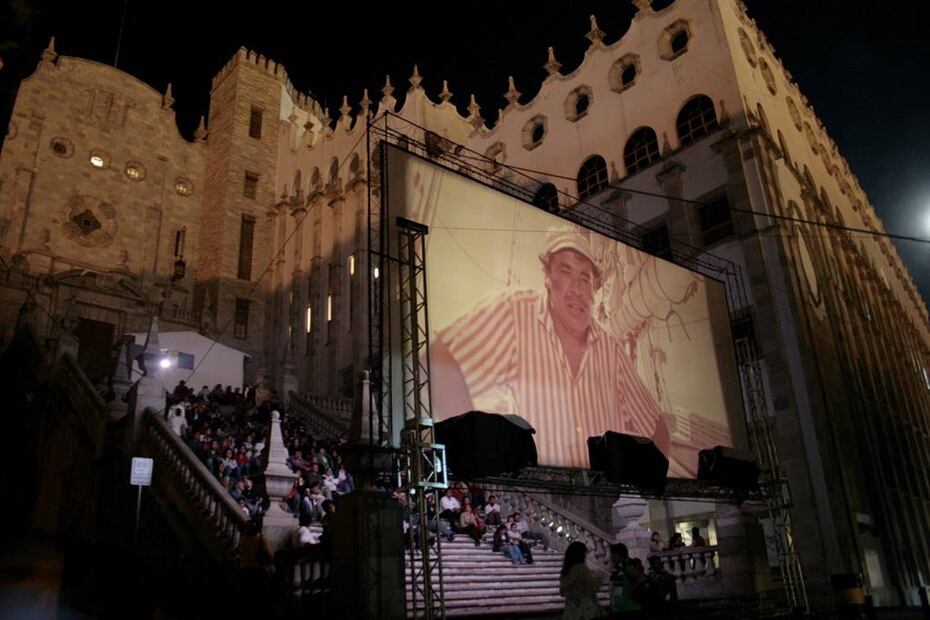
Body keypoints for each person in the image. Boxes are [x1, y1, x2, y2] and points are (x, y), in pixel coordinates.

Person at [430, 227, 670, 468]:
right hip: (540, 487)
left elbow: (656, 426)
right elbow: (438, 357)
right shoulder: (517, 312)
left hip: (601, 489)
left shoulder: (611, 351)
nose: (576, 289)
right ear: (547, 277)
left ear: (594, 290)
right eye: (565, 272)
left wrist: (645, 482)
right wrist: (473, 455)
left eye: (585, 278)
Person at [559, 541, 603, 620]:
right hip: (584, 610)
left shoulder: (565, 571)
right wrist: (600, 578)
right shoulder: (581, 568)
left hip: (570, 609)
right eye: (584, 553)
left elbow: (562, 591)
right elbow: (592, 585)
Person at [609, 542, 645, 616]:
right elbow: (613, 588)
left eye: (614, 554)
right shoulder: (616, 570)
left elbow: (641, 578)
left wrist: (632, 589)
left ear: (621, 555)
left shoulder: (627, 568)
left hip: (630, 607)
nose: (612, 556)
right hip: (619, 607)